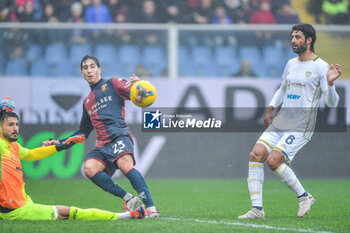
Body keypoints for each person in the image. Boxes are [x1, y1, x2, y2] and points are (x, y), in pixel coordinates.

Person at [237, 23, 342, 219]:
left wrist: (330, 83)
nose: (293, 40)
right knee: (256, 155)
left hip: (301, 125)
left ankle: (304, 197)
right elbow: (283, 89)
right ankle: (257, 209)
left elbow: (332, 103)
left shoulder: (321, 67)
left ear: (309, 40)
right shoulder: (291, 64)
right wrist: (270, 107)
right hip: (282, 120)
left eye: (298, 37)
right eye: (292, 36)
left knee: (274, 160)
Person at [43, 55, 160, 218]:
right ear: (82, 73)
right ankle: (129, 199)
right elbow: (83, 132)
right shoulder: (87, 101)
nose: (89, 70)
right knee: (89, 168)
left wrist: (138, 85)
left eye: (92, 66)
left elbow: (136, 93)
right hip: (103, 145)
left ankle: (151, 208)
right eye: (85, 68)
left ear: (99, 69)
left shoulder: (113, 83)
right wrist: (60, 143)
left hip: (119, 136)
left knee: (125, 166)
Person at [0, 99, 145, 220]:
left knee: (65, 214)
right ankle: (127, 215)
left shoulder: (14, 146)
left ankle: (128, 214)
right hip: (15, 210)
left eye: (17, 124)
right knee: (68, 212)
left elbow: (32, 155)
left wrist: (64, 144)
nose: (15, 129)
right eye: (10, 125)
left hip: (23, 202)